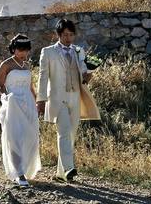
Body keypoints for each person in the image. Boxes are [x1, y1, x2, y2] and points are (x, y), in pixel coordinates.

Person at [35, 18, 101, 182]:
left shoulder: (79, 51)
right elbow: (43, 77)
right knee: (63, 132)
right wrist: (40, 100)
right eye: (65, 35)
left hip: (75, 96)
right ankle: (69, 168)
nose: (68, 38)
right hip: (57, 98)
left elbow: (83, 75)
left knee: (71, 134)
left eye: (71, 35)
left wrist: (88, 76)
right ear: (58, 34)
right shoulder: (48, 52)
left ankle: (60, 173)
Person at [0, 33, 41, 187]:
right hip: (13, 103)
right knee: (14, 137)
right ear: (13, 49)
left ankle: (26, 168)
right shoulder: (6, 65)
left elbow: (31, 86)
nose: (23, 53)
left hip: (28, 104)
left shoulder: (27, 66)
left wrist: (37, 102)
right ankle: (18, 172)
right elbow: (0, 86)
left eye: (25, 50)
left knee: (29, 137)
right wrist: (6, 97)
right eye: (20, 50)